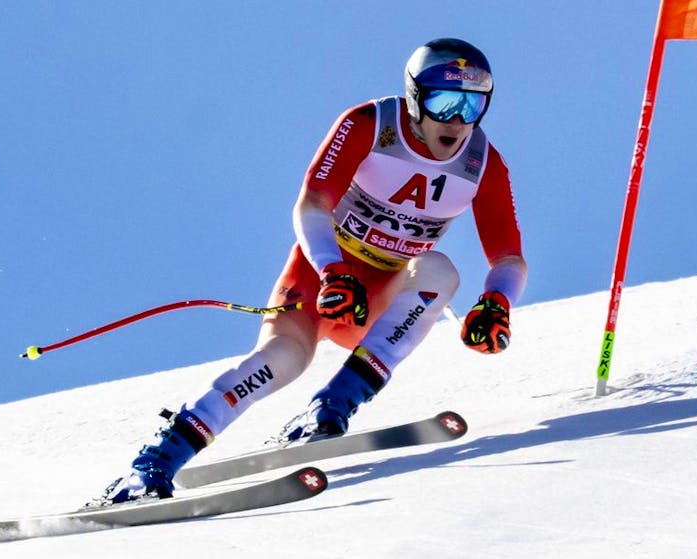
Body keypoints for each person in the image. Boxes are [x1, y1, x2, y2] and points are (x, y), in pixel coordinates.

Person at [101, 37, 527, 504]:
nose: (456, 120)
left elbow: (508, 258)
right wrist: (333, 271)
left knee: (440, 272)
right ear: (413, 98)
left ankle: (329, 408)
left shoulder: (481, 163)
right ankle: (153, 466)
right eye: (444, 101)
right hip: (321, 280)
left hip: (381, 295)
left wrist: (497, 301)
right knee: (281, 361)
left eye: (472, 105)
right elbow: (312, 204)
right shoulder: (370, 125)